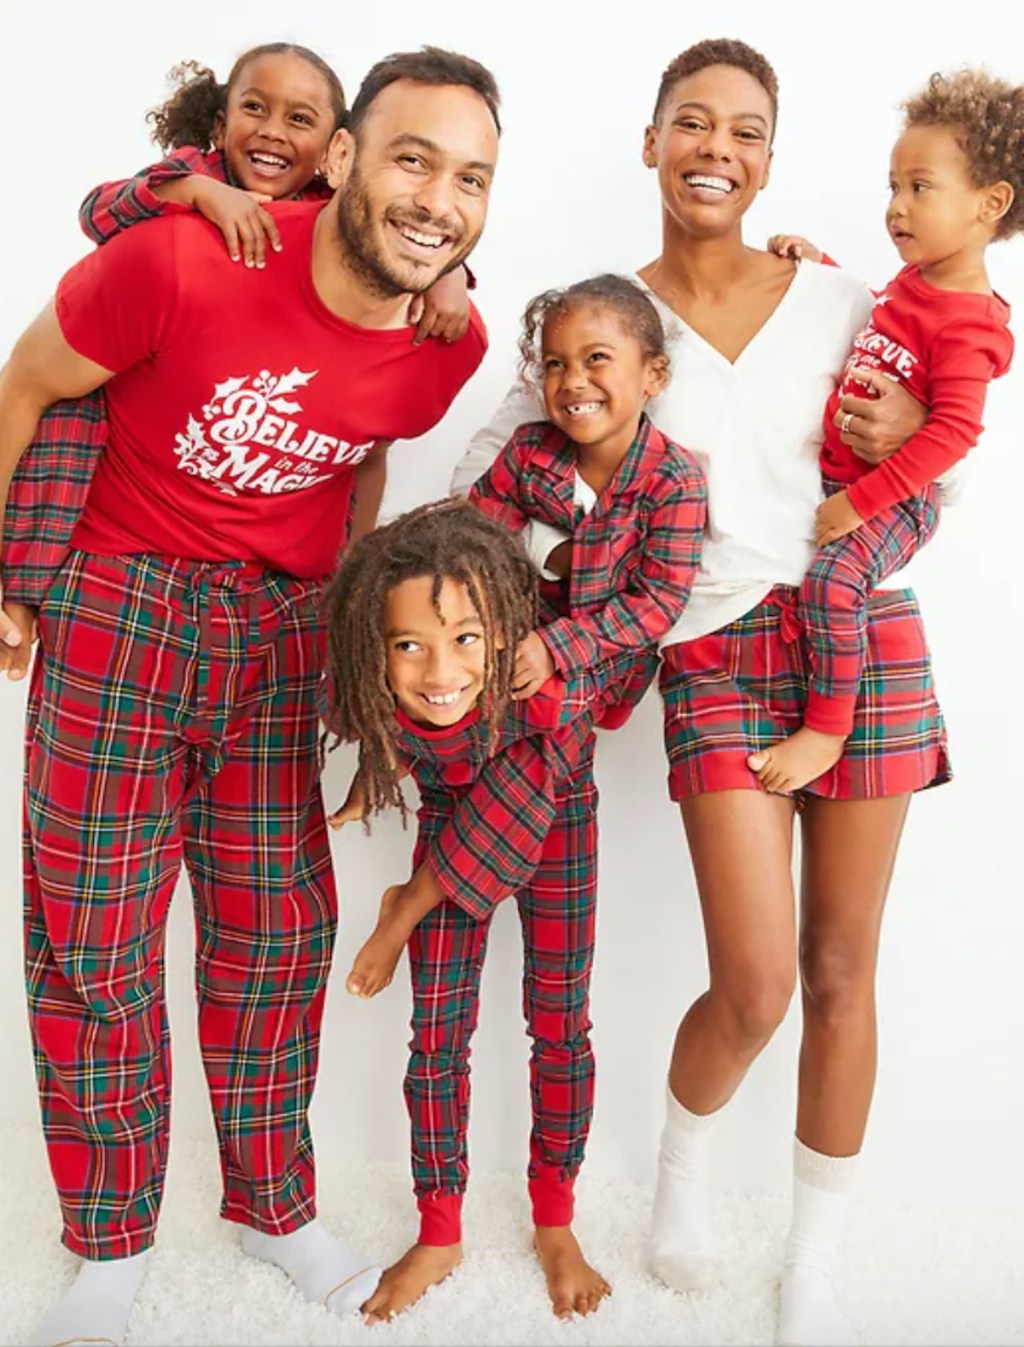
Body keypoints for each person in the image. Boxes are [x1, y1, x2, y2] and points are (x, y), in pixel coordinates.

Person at [452, 37, 956, 1347]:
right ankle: (681, 1166)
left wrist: (910, 458)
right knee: (756, 982)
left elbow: (934, 472)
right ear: (651, 142)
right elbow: (496, 460)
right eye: (690, 122)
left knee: (845, 967)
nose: (714, 148)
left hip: (863, 640)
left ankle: (816, 1264)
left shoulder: (842, 298)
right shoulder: (611, 320)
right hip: (715, 656)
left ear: (770, 158)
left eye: (742, 130)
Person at [0, 46, 500, 1347]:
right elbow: (27, 384)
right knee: (95, 938)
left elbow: (364, 462)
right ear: (340, 158)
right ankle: (109, 1246)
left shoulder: (450, 340)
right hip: (124, 607)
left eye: (471, 178)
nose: (438, 197)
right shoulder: (177, 260)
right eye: (411, 157)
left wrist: (341, 610)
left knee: (275, 937)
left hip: (282, 636)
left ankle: (270, 1208)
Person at [0, 43, 471, 665]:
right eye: (254, 108)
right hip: (120, 505)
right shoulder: (185, 210)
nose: (273, 131)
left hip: (279, 599)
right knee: (64, 449)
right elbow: (98, 210)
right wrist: (194, 191)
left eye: (301, 119)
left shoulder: (354, 238)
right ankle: (22, 587)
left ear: (338, 152)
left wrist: (454, 274)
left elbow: (408, 236)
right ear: (221, 124)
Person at [325, 500, 675, 1322]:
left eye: (465, 641)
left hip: (558, 818)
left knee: (559, 1023)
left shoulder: (540, 684)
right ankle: (439, 1227)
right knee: (437, 1033)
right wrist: (370, 776)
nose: (439, 671)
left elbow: (579, 714)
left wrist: (416, 898)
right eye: (408, 645)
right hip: (454, 819)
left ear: (507, 630)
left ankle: (554, 1220)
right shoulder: (376, 688)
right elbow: (385, 720)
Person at [749, 68, 1020, 792]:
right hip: (854, 481)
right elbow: (875, 321)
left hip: (898, 497)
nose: (896, 208)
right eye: (892, 188)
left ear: (990, 204)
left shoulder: (970, 324)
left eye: (919, 188)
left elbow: (953, 435)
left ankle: (827, 732)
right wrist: (823, 268)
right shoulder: (915, 283)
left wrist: (857, 506)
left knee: (834, 581)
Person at [468, 274, 707, 711]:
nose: (573, 381)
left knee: (539, 708)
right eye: (556, 364)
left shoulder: (674, 479)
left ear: (653, 374)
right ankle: (401, 759)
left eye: (596, 358)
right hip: (512, 626)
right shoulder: (528, 449)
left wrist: (555, 648)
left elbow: (657, 601)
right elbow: (478, 532)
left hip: (603, 657)